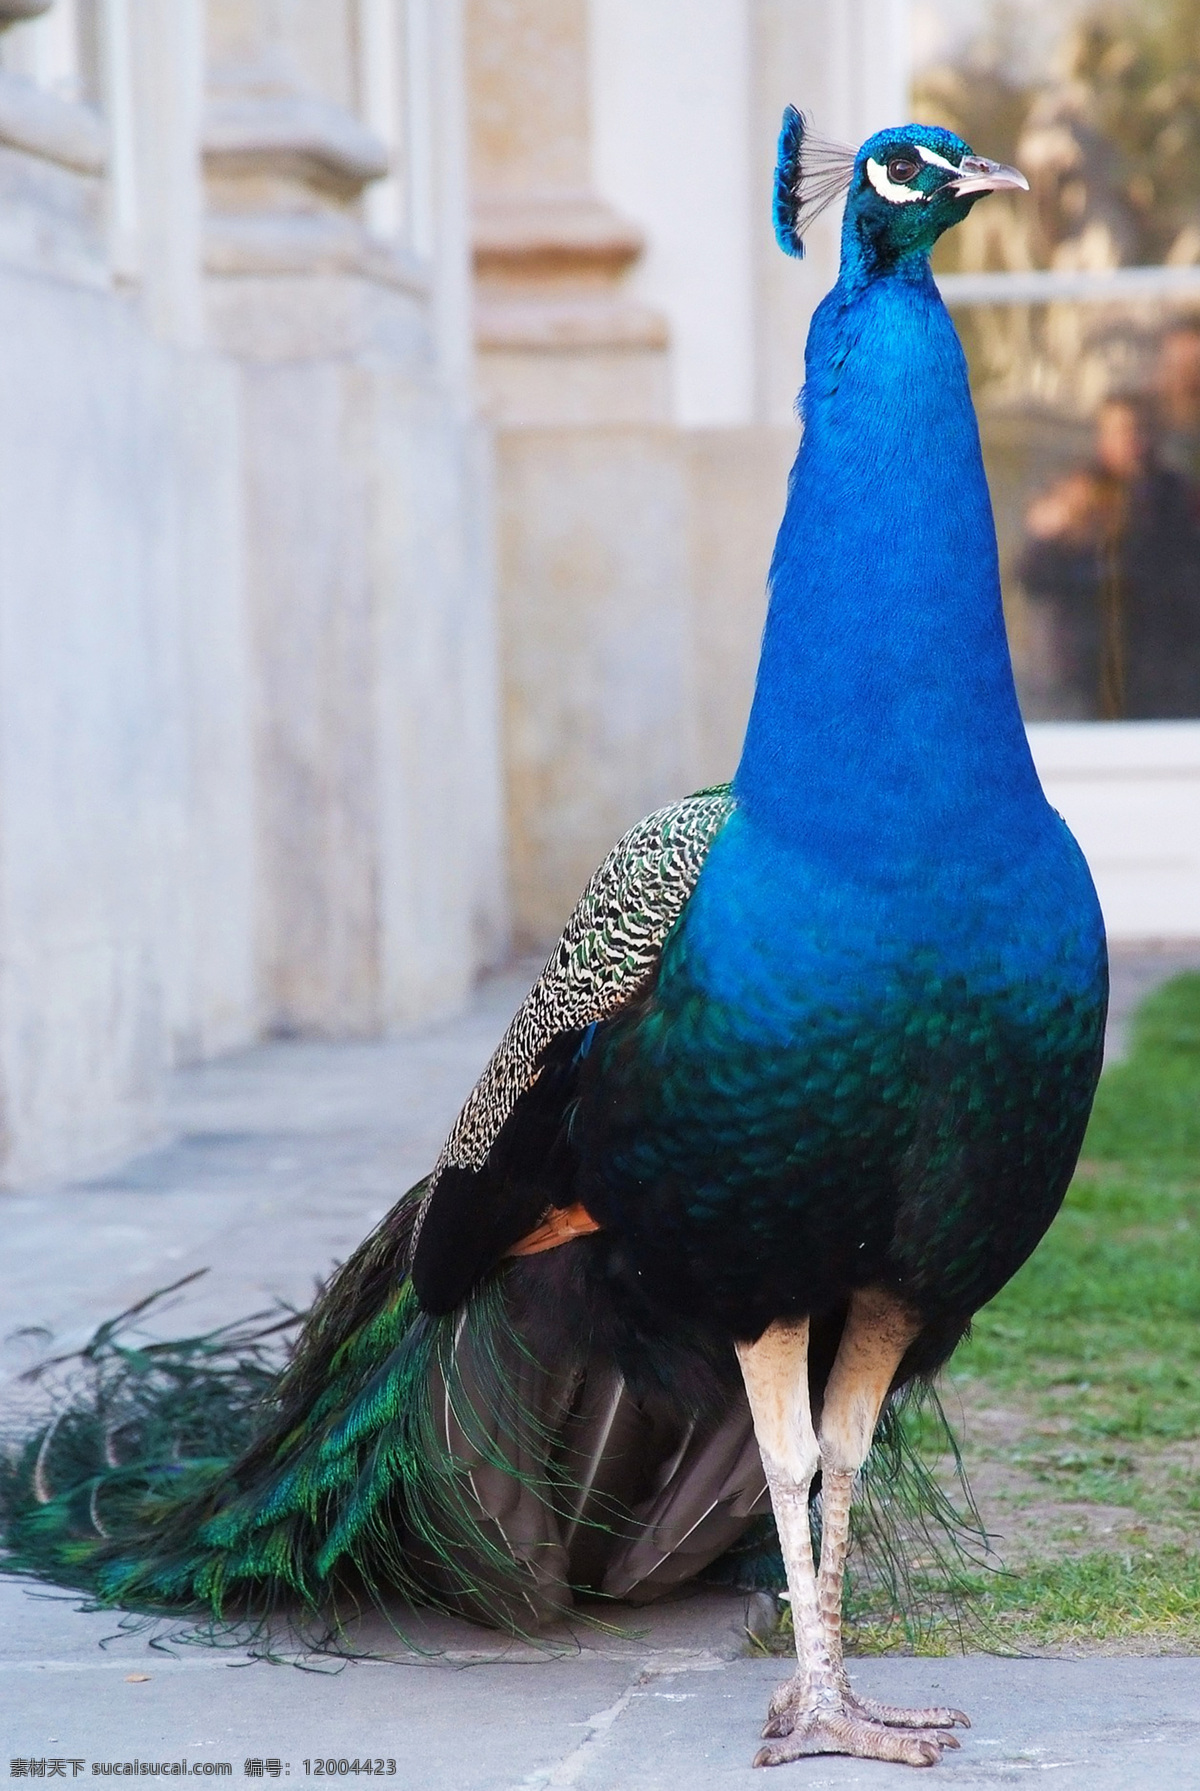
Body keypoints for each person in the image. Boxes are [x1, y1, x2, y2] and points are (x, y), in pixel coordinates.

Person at [1016, 391, 1200, 717]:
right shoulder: (1076, 493)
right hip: (1086, 671)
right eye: (1118, 431)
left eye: (1138, 430)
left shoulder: (1177, 497)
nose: (1130, 441)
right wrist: (1053, 533)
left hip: (1163, 670)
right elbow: (1033, 576)